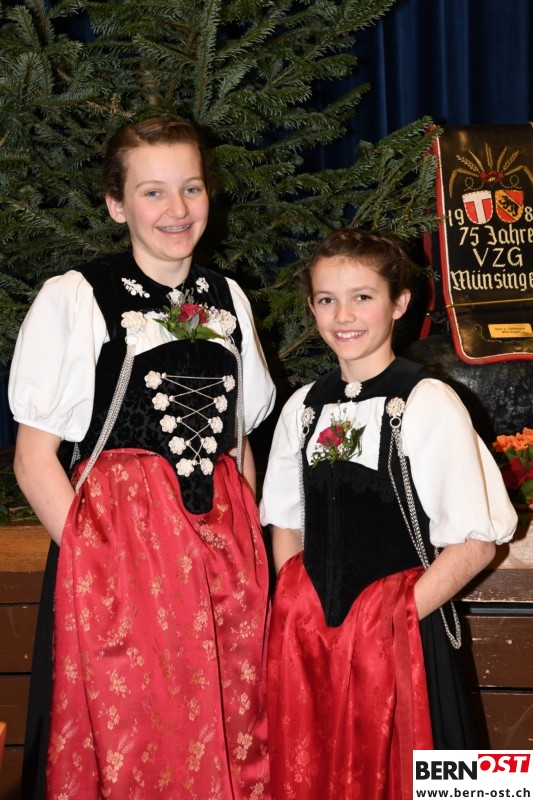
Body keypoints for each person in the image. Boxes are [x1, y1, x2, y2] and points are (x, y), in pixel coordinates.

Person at [9, 117, 275, 799]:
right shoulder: (77, 297)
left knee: (233, 730)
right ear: (116, 204)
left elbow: (237, 446)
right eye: (152, 192)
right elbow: (34, 460)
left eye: (191, 188)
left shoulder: (228, 299)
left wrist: (250, 557)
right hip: (121, 557)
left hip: (220, 562)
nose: (176, 209)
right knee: (133, 734)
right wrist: (97, 568)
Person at [259, 228, 517, 800]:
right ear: (312, 308)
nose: (343, 315)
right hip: (315, 644)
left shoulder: (427, 401)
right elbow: (286, 520)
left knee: (417, 778)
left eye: (363, 297)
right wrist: (301, 604)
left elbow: (477, 540)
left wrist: (387, 624)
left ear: (399, 303)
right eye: (327, 299)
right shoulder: (303, 407)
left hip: (403, 644)